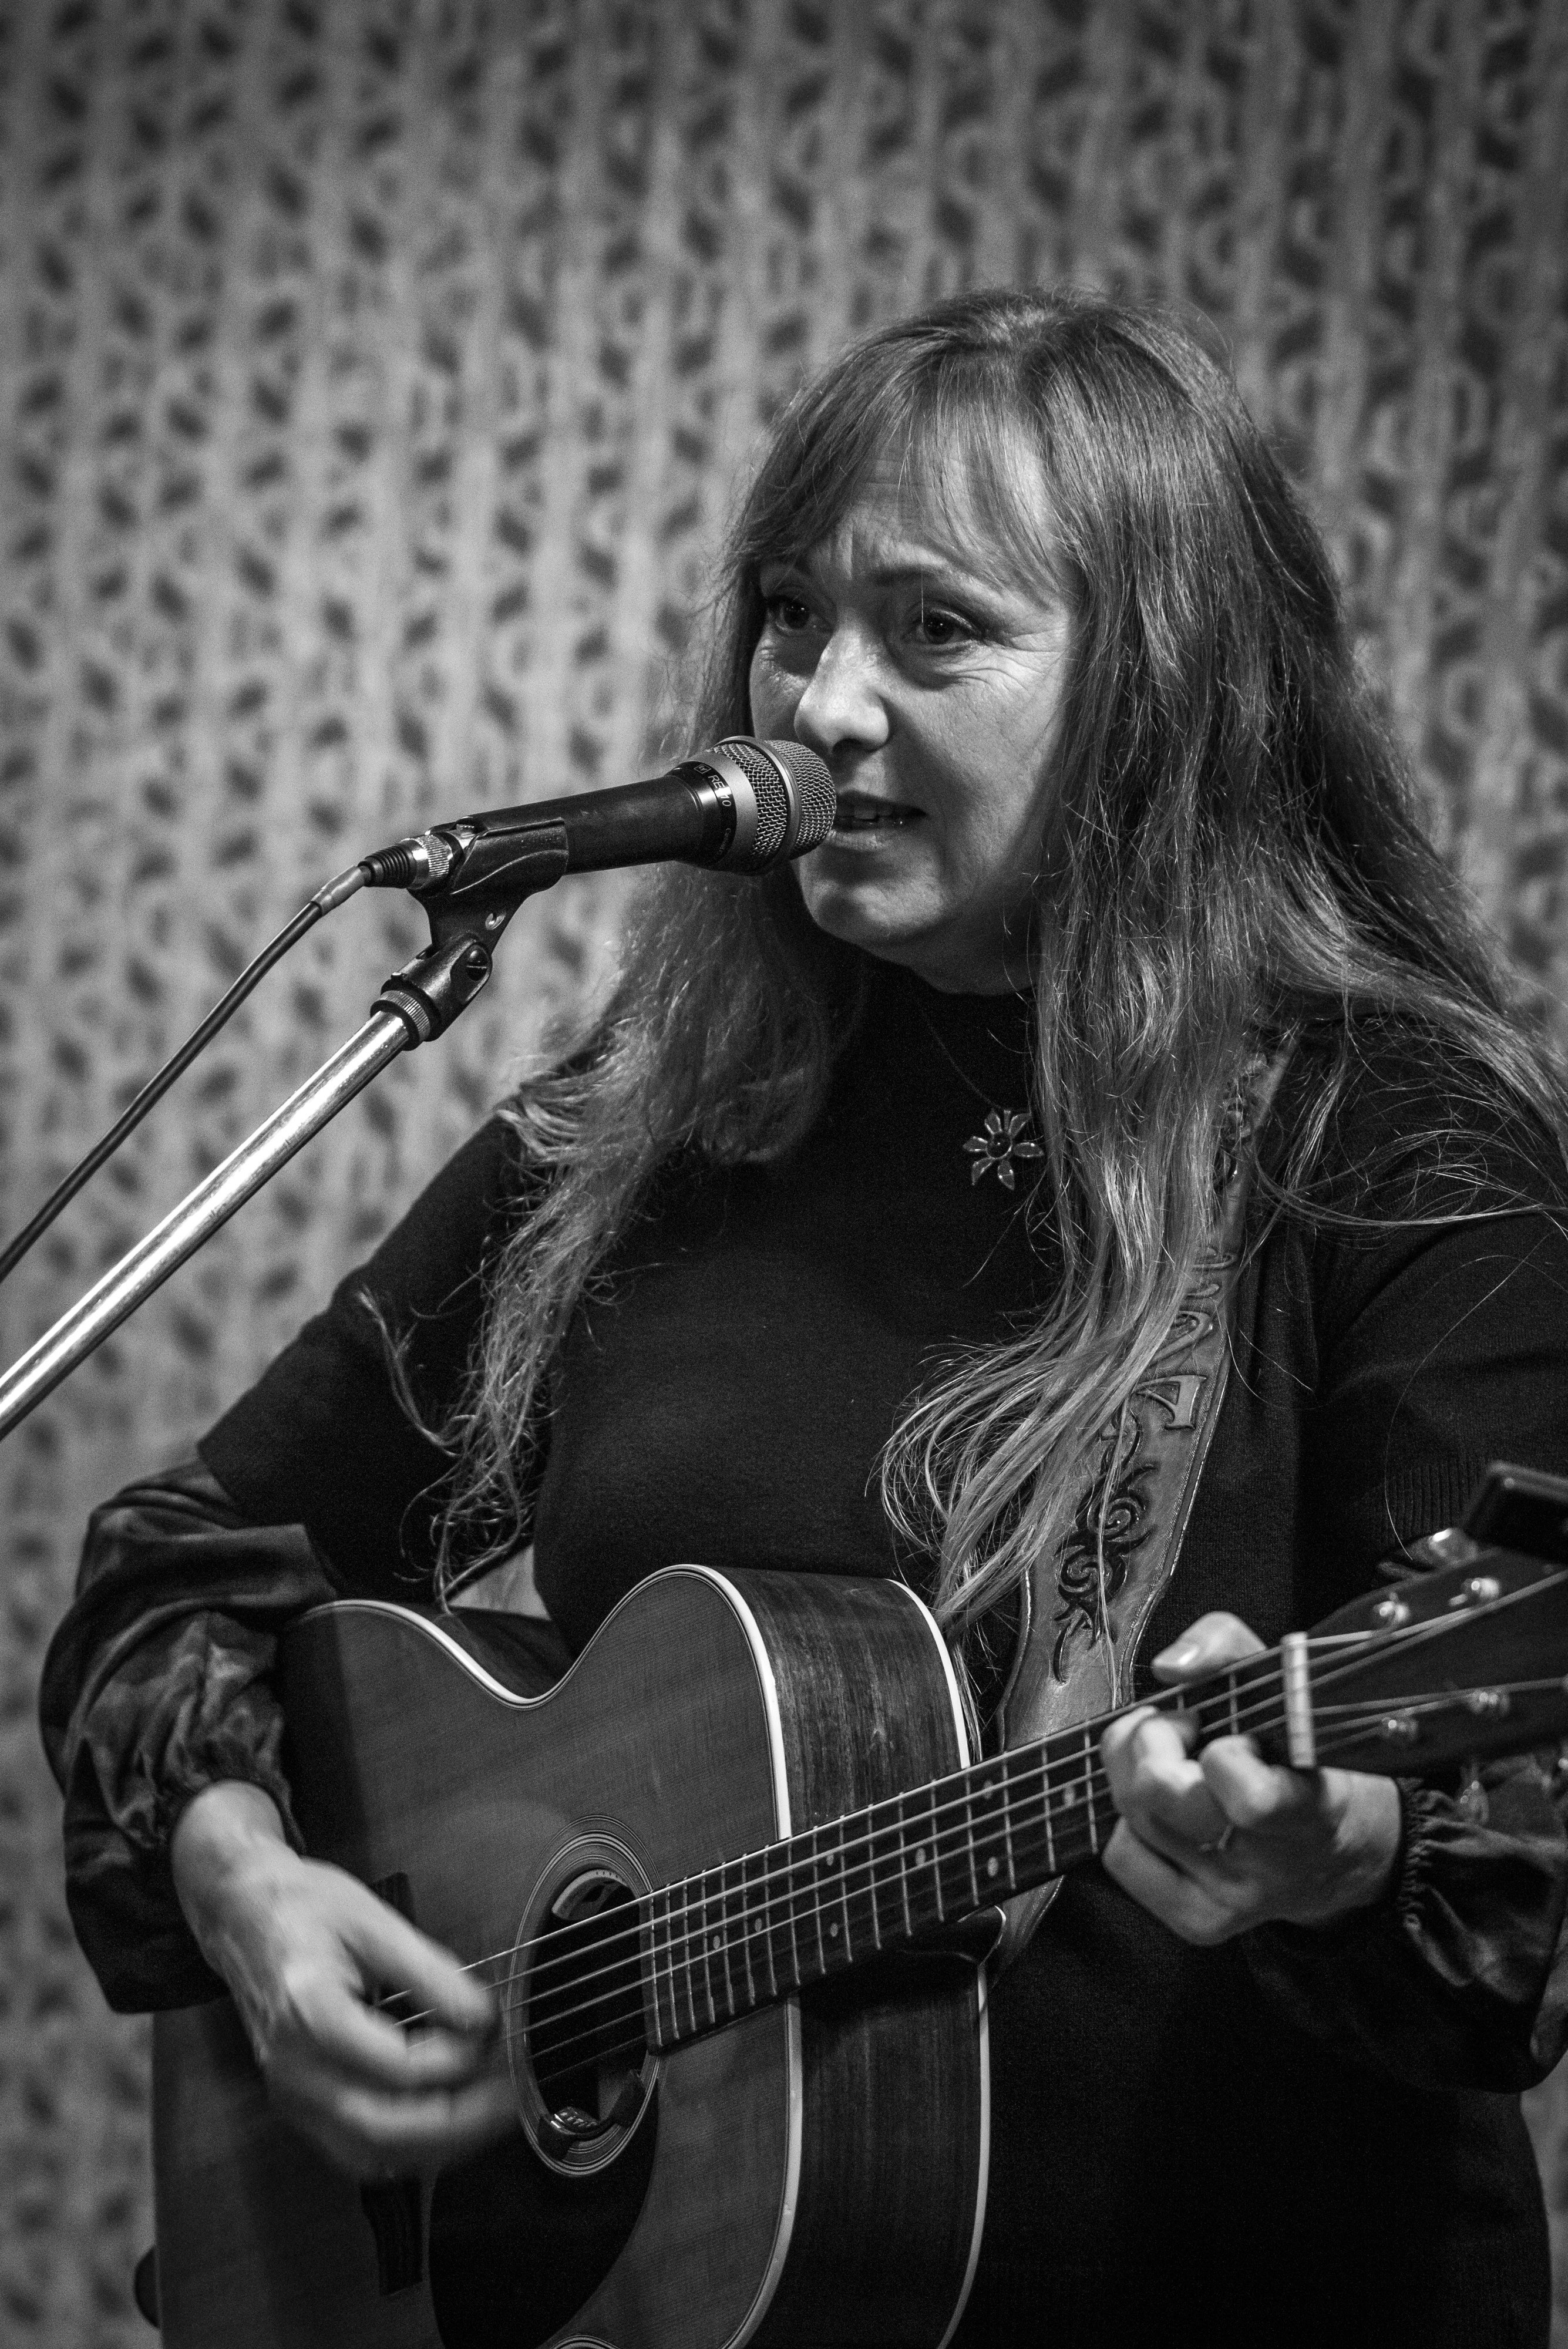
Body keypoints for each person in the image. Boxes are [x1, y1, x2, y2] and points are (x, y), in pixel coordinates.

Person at [41, 287, 1568, 2345]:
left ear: (1165, 694)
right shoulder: (651, 1128)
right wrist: (243, 1886)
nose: (821, 702)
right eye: (790, 613)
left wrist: (1350, 1850)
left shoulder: (1392, 1143)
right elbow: (184, 1570)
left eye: (936, 629)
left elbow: (1517, 1830)